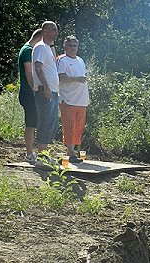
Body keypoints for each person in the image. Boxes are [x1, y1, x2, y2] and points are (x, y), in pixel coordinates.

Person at [58, 35, 89, 163]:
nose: (73, 48)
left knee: (79, 126)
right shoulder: (62, 60)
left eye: (75, 46)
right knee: (69, 126)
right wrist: (76, 79)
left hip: (81, 99)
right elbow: (60, 77)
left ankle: (74, 150)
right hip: (68, 99)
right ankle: (70, 153)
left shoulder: (80, 60)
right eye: (70, 45)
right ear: (65, 47)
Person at [32, 21, 60, 162]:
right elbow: (38, 67)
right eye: (53, 30)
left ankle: (45, 154)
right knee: (45, 121)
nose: (56, 32)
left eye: (56, 30)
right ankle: (42, 156)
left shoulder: (48, 48)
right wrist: (47, 87)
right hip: (45, 91)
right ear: (45, 32)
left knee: (52, 123)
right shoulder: (40, 47)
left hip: (53, 91)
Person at [18, 29, 43, 162]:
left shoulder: (28, 49)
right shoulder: (27, 50)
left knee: (35, 122)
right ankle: (29, 154)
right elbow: (29, 73)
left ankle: (35, 153)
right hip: (28, 93)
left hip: (30, 92)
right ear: (39, 38)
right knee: (31, 123)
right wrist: (34, 90)